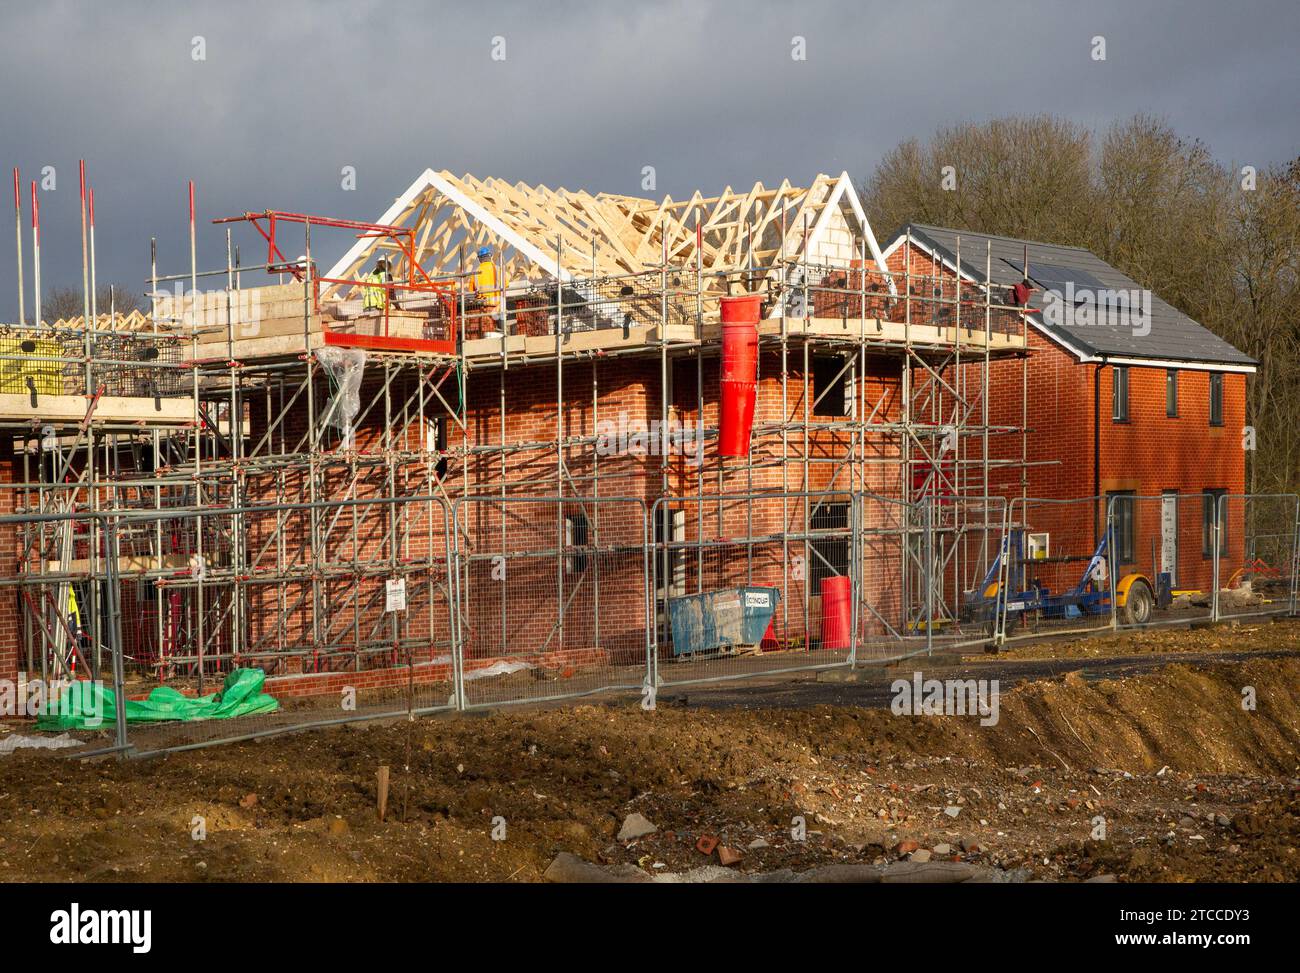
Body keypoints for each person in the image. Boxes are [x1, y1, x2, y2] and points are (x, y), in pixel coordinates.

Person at [470, 246, 500, 312]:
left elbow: (471, 291)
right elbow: (506, 285)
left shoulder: (475, 272)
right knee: (499, 321)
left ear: (479, 259)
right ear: (490, 256)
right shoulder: (498, 269)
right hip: (498, 302)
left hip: (483, 304)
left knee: (486, 321)